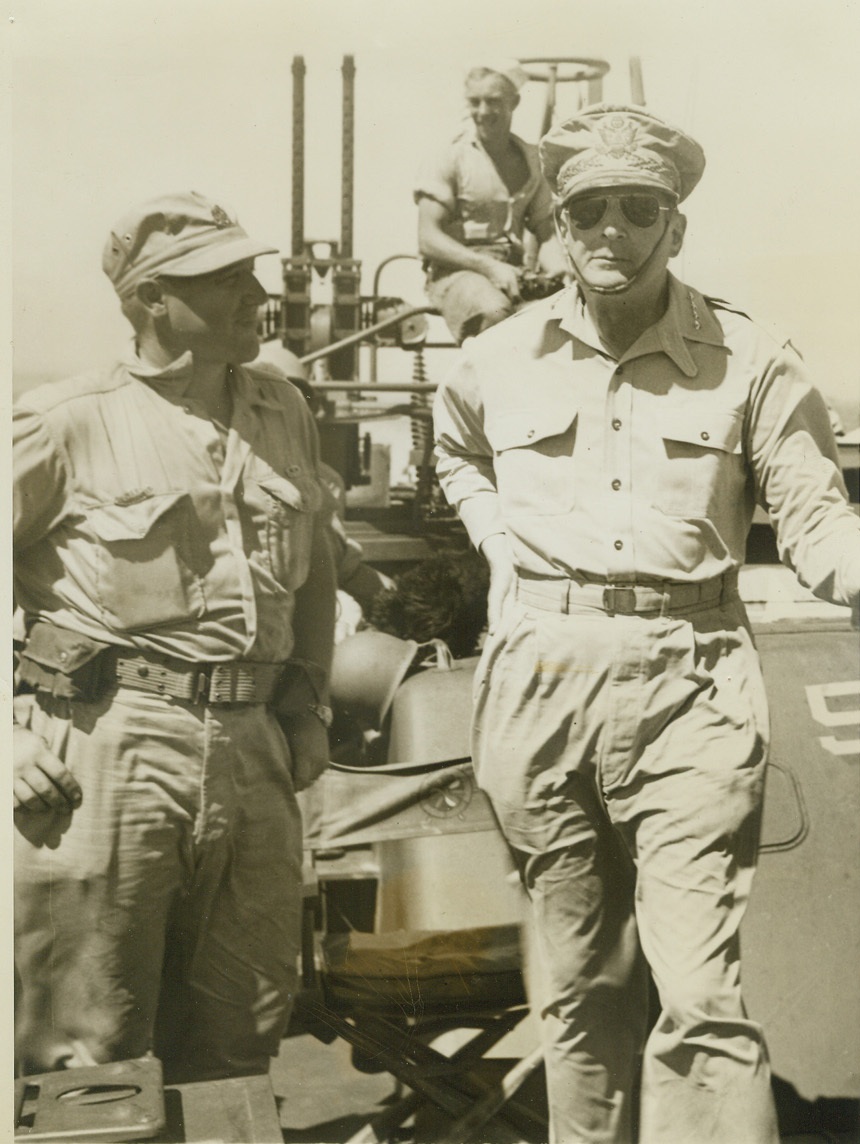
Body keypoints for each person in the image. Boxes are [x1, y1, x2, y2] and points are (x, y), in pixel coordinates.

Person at [433, 104, 860, 1143]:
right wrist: (498, 543)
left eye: (638, 208)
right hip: (537, 686)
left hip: (688, 687)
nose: (611, 231)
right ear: (557, 227)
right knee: (577, 986)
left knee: (696, 990)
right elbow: (454, 455)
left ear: (676, 226)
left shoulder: (753, 360)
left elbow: (814, 521)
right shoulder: (492, 358)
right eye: (587, 210)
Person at [13, 191, 336, 1084]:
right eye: (223, 279)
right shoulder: (66, 420)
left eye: (251, 272)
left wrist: (306, 702)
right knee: (89, 1044)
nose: (255, 294)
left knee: (242, 1034)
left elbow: (320, 572)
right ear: (152, 299)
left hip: (253, 750)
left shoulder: (283, 410)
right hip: (109, 749)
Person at [415, 59, 565, 344]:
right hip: (457, 275)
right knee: (494, 312)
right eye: (475, 102)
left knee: (563, 316)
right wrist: (489, 267)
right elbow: (428, 239)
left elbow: (545, 231)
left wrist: (561, 269)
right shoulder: (449, 157)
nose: (483, 112)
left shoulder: (533, 160)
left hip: (513, 274)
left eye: (494, 101)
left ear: (514, 102)